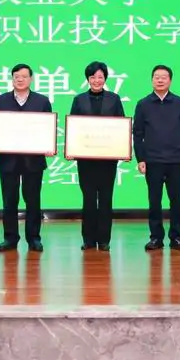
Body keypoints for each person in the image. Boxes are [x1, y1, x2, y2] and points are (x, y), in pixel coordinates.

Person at [0, 64, 53, 253]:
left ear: (31, 79)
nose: (20, 79)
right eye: (16, 76)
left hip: (33, 161)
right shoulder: (1, 101)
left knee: (33, 201)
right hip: (8, 160)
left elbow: (48, 128)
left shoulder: (42, 101)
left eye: (24, 76)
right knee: (9, 202)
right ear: (12, 79)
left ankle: (34, 238)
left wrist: (49, 145)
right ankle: (10, 238)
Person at [132, 64, 180, 252]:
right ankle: (155, 238)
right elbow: (137, 134)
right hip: (153, 161)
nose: (160, 80)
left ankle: (176, 237)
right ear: (152, 80)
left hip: (176, 160)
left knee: (176, 201)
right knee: (154, 201)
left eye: (164, 77)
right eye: (156, 77)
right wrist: (140, 159)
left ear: (170, 80)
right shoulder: (143, 104)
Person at [69, 61, 125, 252]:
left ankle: (104, 240)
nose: (96, 80)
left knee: (106, 199)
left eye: (100, 77)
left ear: (105, 78)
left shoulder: (114, 99)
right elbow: (74, 127)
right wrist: (71, 149)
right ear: (88, 79)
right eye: (92, 77)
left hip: (108, 159)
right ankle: (88, 239)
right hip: (86, 160)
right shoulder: (79, 100)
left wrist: (123, 149)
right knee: (89, 200)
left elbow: (121, 126)